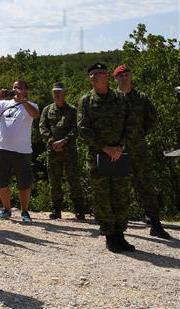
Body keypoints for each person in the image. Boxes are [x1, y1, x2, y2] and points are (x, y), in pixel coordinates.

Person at [78, 62, 135, 253]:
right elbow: (83, 129)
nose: (94, 76)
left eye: (99, 73)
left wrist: (120, 147)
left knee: (120, 196)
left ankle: (120, 234)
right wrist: (105, 148)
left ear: (107, 77)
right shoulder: (86, 101)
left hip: (119, 154)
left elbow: (131, 123)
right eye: (92, 74)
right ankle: (110, 235)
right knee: (102, 197)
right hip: (98, 155)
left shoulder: (120, 98)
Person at [113, 64, 171, 239]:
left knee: (146, 185)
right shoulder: (112, 98)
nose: (124, 78)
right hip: (117, 150)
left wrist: (139, 133)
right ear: (116, 79)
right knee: (117, 187)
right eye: (120, 76)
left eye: (127, 75)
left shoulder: (141, 98)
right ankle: (115, 226)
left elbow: (151, 118)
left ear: (131, 76)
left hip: (138, 148)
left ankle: (155, 223)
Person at [0, 80, 39, 223]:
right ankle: (6, 209)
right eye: (14, 87)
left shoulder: (31, 105)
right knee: (0, 180)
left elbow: (35, 115)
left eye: (19, 88)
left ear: (25, 90)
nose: (16, 90)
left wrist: (23, 101)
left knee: (24, 182)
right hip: (2, 148)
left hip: (23, 151)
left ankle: (24, 211)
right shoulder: (3, 104)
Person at [39, 82, 86, 220]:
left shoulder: (72, 110)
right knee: (54, 180)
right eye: (54, 92)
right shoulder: (47, 110)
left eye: (59, 92)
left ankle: (79, 209)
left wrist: (64, 141)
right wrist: (53, 142)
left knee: (74, 180)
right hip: (53, 151)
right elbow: (42, 127)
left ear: (65, 93)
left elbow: (76, 128)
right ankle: (56, 209)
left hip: (69, 151)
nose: (57, 94)